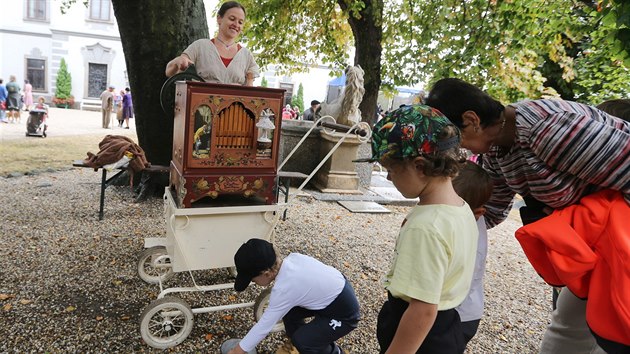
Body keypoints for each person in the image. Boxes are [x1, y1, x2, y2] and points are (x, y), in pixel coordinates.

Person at [425, 78, 630, 354]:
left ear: (472, 119)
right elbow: (491, 210)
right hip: (589, 249)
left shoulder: (548, 131)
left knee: (612, 333)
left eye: (453, 138)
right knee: (567, 327)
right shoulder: (497, 149)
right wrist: (440, 224)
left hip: (617, 246)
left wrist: (581, 218)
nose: (458, 150)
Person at [355, 105, 478, 354]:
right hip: (447, 327)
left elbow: (423, 309)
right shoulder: (460, 208)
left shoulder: (426, 228)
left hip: (422, 339)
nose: (389, 178)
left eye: (391, 170)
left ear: (420, 166)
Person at [227, 238, 360, 354]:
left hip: (344, 314)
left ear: (266, 273)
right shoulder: (293, 258)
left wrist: (236, 351)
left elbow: (263, 326)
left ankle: (328, 350)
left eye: (253, 280)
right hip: (334, 293)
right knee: (290, 313)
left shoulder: (284, 289)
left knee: (303, 341)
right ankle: (302, 344)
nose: (253, 283)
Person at [165, 1, 259, 86]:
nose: (236, 24)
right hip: (201, 104)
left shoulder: (247, 56)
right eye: (232, 19)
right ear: (219, 19)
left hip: (234, 105)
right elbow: (169, 72)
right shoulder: (200, 46)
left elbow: (249, 91)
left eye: (240, 22)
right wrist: (179, 61)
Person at [452, 161, 493, 347]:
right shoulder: (463, 218)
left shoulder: (469, 234)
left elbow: (466, 280)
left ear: (477, 212)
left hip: (459, 315)